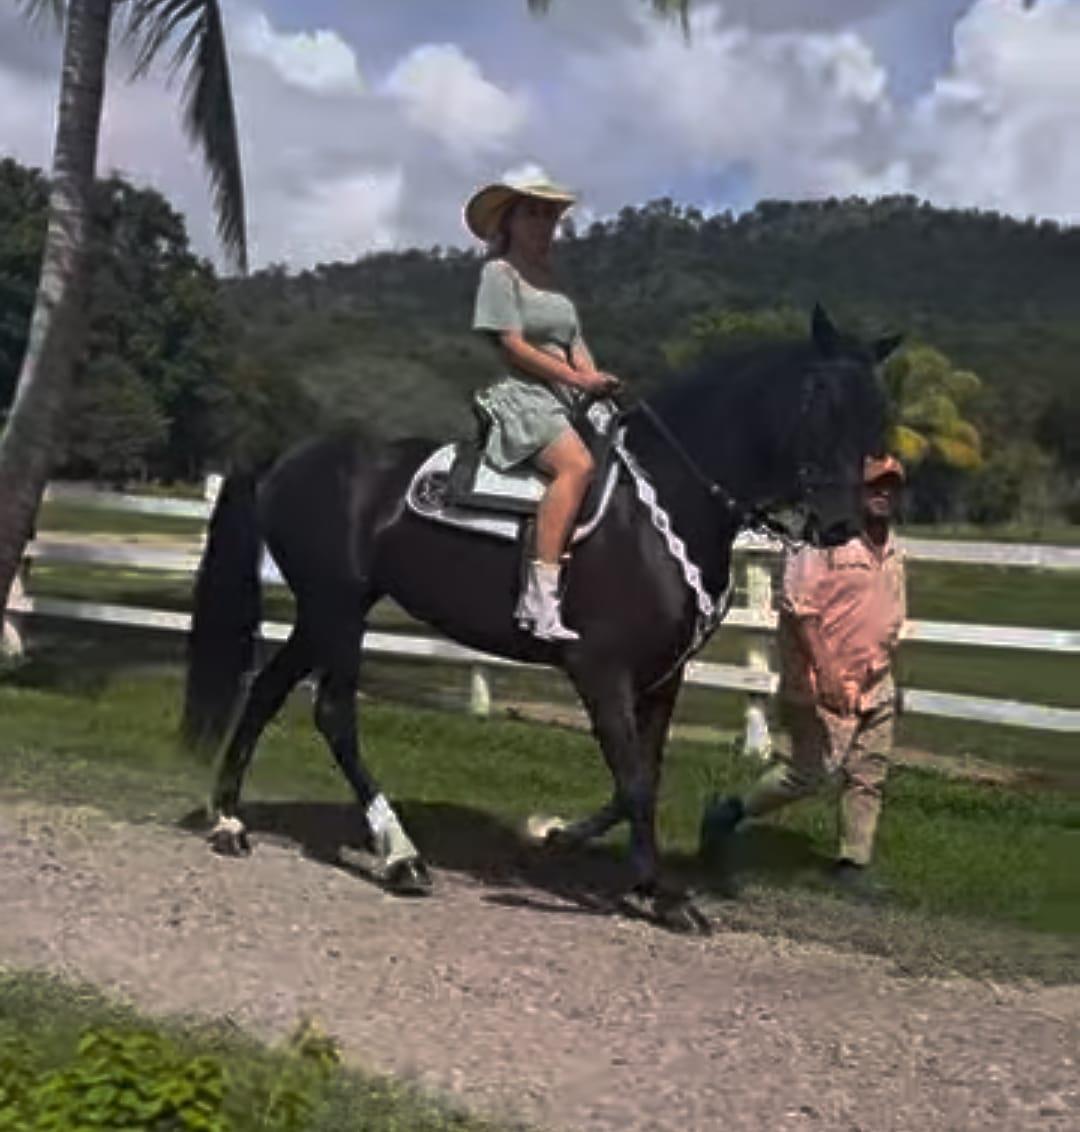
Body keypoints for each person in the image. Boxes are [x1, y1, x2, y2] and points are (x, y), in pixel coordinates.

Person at [699, 455, 908, 892]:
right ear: (854, 490)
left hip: (875, 679)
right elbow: (799, 608)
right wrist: (828, 673)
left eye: (890, 486)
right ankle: (729, 814)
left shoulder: (892, 548)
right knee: (808, 773)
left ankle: (853, 864)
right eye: (874, 485)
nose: (882, 494)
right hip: (819, 681)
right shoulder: (820, 540)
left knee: (868, 773)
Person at [463, 177, 620, 642]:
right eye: (533, 214)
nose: (544, 225)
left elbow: (575, 344)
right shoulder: (499, 275)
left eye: (550, 216)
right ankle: (541, 597)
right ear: (508, 221)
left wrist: (596, 383)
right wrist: (575, 379)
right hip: (524, 394)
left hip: (568, 394)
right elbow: (512, 345)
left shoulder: (553, 283)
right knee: (577, 466)